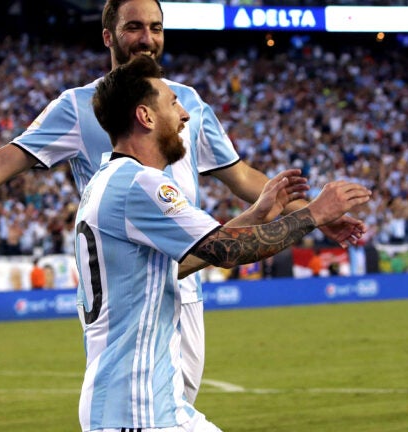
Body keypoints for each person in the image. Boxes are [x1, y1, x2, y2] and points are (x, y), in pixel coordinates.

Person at [0, 0, 363, 403]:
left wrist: (313, 217)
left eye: (156, 27)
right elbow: (5, 160)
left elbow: (241, 177)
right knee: (144, 411)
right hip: (126, 292)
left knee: (170, 412)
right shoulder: (79, 106)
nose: (147, 38)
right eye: (134, 27)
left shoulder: (186, 103)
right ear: (108, 35)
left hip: (184, 283)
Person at [76, 55, 370, 431]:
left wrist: (257, 215)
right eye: (173, 103)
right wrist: (314, 214)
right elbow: (228, 251)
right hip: (135, 411)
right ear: (145, 117)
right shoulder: (141, 184)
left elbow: (182, 262)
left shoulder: (106, 182)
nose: (184, 115)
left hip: (151, 405)